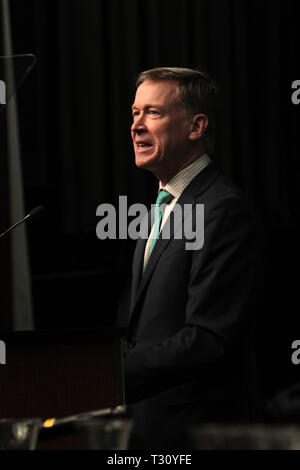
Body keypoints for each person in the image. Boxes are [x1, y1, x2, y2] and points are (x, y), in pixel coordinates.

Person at [124, 67, 264, 449]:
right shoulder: (160, 205)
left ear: (196, 126)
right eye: (134, 113)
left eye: (153, 113)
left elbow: (209, 338)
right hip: (147, 427)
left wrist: (110, 374)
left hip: (195, 434)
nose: (136, 126)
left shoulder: (222, 209)